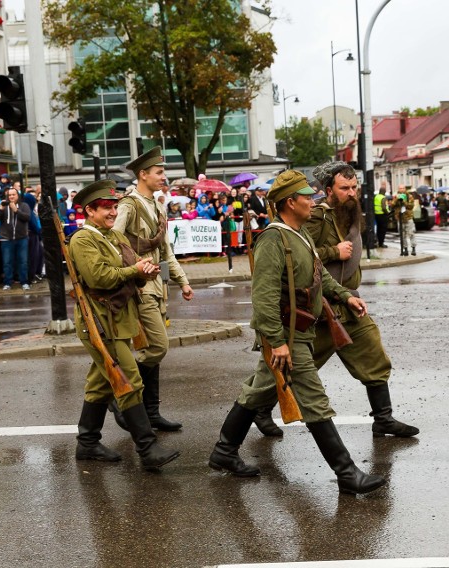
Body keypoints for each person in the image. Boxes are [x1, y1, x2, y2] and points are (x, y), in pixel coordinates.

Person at [208, 170, 385, 494]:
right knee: (314, 400)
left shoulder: (300, 234)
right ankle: (346, 473)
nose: (312, 199)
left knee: (258, 391)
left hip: (299, 331)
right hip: (286, 334)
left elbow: (320, 278)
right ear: (290, 202)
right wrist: (276, 342)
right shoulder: (274, 239)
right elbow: (263, 297)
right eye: (306, 196)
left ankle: (224, 451)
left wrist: (346, 295)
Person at [252, 162, 419, 439]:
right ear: (329, 190)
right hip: (320, 310)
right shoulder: (316, 217)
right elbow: (302, 252)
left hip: (347, 302)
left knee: (373, 356)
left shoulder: (350, 213)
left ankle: (383, 419)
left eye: (354, 187)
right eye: (345, 188)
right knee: (289, 368)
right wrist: (334, 251)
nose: (351, 193)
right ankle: (259, 410)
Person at [66, 179, 179, 470]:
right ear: (89, 210)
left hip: (118, 319)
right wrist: (133, 269)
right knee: (129, 380)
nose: (113, 213)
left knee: (101, 383)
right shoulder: (82, 239)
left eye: (115, 207)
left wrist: (144, 270)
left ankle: (87, 443)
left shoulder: (111, 237)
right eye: (106, 208)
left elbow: (130, 267)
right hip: (100, 322)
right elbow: (99, 278)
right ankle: (148, 449)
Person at [113, 146, 194, 431]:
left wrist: (182, 280)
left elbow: (166, 251)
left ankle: (151, 412)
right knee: (158, 346)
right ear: (143, 174)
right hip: (140, 286)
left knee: (153, 348)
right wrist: (132, 267)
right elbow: (114, 241)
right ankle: (119, 389)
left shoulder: (158, 206)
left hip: (158, 286)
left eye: (163, 172)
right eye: (159, 172)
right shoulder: (129, 204)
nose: (164, 177)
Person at [0, 187, 30, 290]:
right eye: (10, 195)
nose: (12, 197)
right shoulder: (3, 206)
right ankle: (7, 283)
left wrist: (16, 210)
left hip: (21, 238)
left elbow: (27, 218)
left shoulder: (24, 205)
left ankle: (24, 282)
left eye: (13, 194)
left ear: (17, 195)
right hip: (7, 239)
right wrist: (0, 210)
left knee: (23, 262)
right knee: (7, 262)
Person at [392, 186, 416, 256]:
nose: (401, 190)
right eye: (400, 188)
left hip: (408, 217)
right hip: (400, 218)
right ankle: (405, 249)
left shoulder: (409, 196)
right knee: (402, 235)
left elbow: (411, 206)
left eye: (403, 188)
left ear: (405, 189)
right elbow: (392, 205)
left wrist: (404, 201)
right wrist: (397, 199)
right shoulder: (396, 196)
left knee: (411, 233)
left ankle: (413, 248)